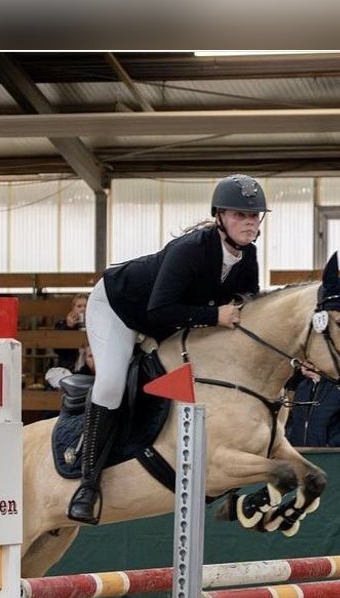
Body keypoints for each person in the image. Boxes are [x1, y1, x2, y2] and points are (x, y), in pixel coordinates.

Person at [67, 173, 266, 525]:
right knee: (112, 382)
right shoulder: (190, 249)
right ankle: (87, 485)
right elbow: (159, 308)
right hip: (119, 308)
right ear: (220, 216)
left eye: (253, 216)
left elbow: (246, 314)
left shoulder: (247, 258)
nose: (248, 223)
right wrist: (213, 315)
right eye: (240, 215)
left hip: (166, 323)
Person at [284, 368, 340, 448]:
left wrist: (331, 444)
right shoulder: (302, 387)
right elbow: (294, 419)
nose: (305, 364)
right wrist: (290, 440)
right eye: (304, 360)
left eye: (311, 361)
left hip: (329, 455)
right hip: (301, 453)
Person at [52, 293, 88, 372]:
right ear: (73, 309)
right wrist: (68, 327)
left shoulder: (95, 326)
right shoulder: (62, 325)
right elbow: (57, 349)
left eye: (85, 306)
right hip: (68, 369)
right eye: (79, 306)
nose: (83, 309)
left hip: (87, 370)